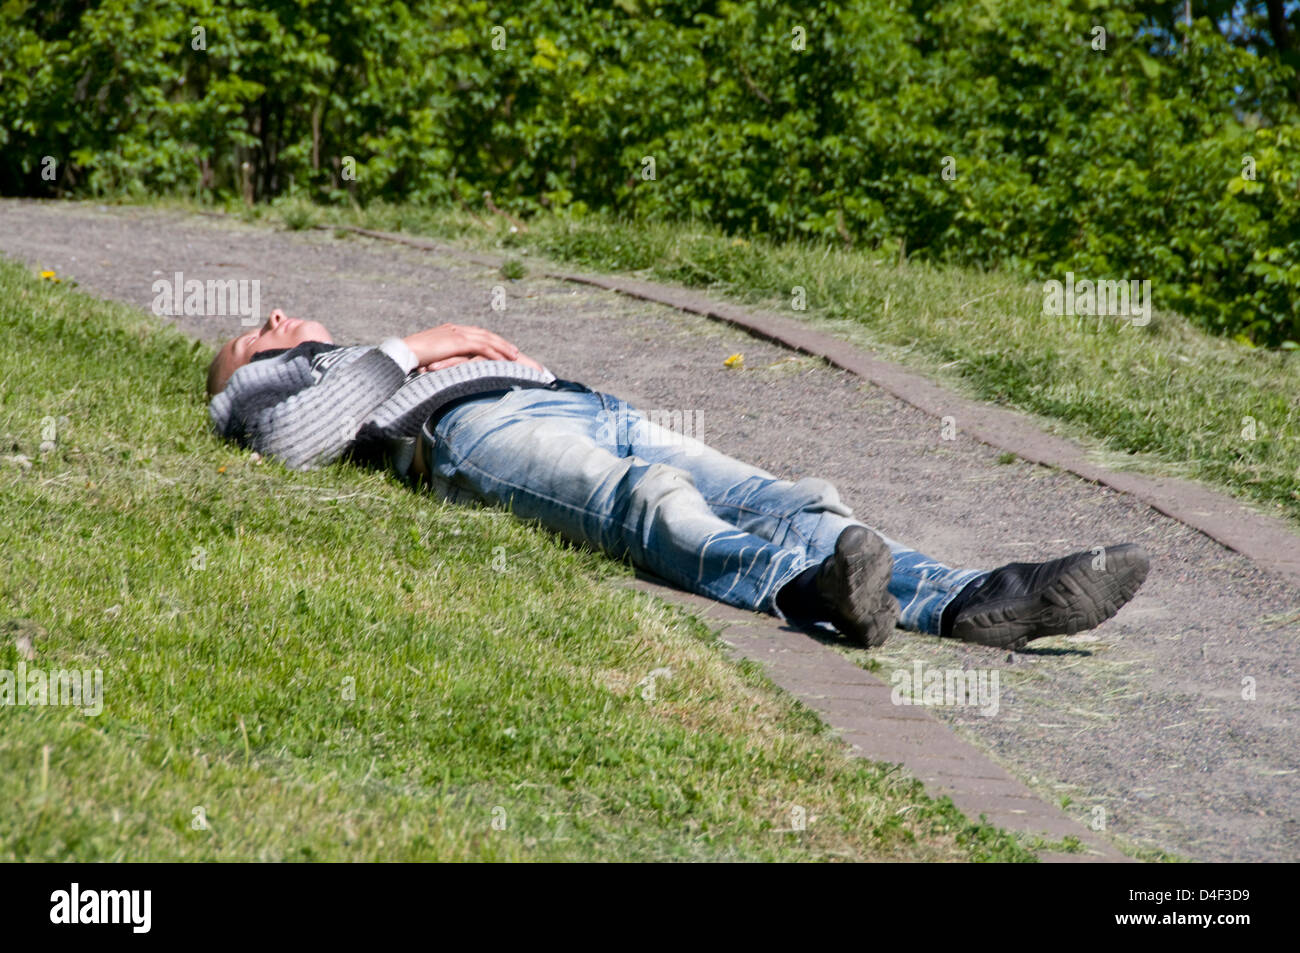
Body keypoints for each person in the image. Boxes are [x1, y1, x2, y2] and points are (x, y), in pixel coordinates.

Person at [207, 310, 1150, 650]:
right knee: (648, 508)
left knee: (791, 495)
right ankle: (809, 592)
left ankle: (969, 597)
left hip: (586, 404)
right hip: (474, 431)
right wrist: (427, 344)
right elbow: (290, 441)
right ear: (244, 376)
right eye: (255, 334)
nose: (277, 316)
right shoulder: (279, 389)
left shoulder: (342, 355)